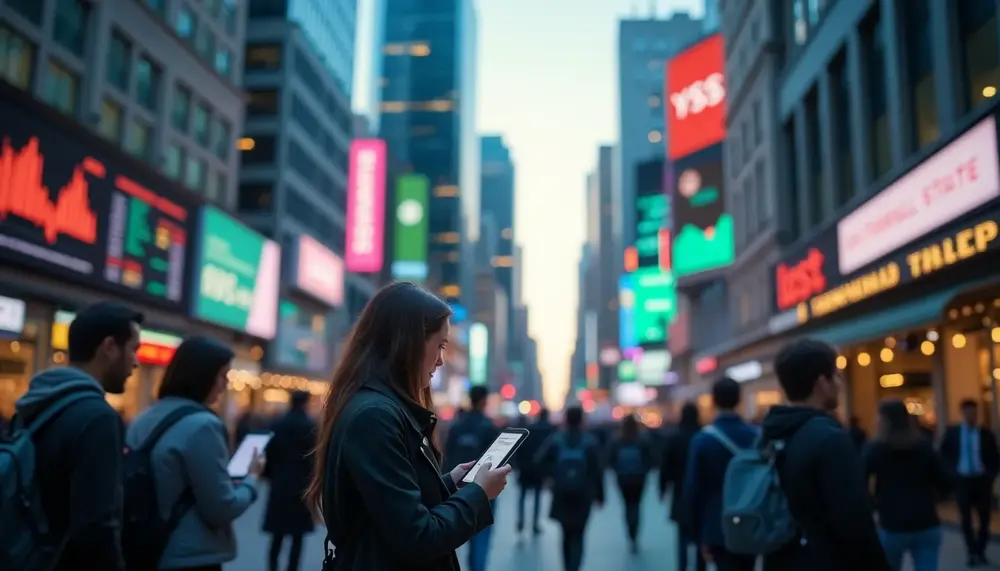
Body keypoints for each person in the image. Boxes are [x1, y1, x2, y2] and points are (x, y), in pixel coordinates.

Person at [304, 282, 509, 571]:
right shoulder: (375, 416)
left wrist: (449, 484)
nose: (440, 360)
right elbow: (416, 537)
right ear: (407, 341)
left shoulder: (380, 408)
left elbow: (391, 503)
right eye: (439, 346)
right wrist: (478, 493)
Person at [13, 301, 142, 571]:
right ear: (109, 347)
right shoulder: (98, 418)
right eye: (133, 348)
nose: (137, 361)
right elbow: (96, 525)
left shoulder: (34, 403)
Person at [126, 336, 261, 571]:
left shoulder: (143, 418)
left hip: (144, 547)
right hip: (190, 556)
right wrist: (251, 481)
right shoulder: (203, 425)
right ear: (203, 376)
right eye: (222, 376)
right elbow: (221, 508)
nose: (224, 385)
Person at [761, 338, 889, 571]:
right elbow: (854, 522)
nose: (839, 383)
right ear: (821, 383)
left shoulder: (770, 434)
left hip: (780, 559)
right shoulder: (829, 438)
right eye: (836, 376)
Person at [682, 377, 758, 571]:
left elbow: (694, 489)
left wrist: (696, 533)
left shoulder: (703, 440)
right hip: (753, 521)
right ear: (739, 400)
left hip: (717, 524)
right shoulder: (757, 436)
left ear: (714, 401)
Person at [865, 400, 951, 571]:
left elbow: (860, 480)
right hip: (926, 521)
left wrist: (873, 504)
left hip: (892, 523)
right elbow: (945, 480)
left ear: (884, 420)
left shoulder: (877, 448)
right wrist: (934, 498)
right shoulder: (924, 446)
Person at [534, 405, 605, 571]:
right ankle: (575, 566)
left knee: (565, 533)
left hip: (561, 492)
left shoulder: (557, 439)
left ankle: (567, 566)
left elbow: (539, 461)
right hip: (584, 494)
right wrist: (600, 496)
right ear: (582, 420)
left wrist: (550, 477)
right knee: (579, 533)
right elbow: (597, 471)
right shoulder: (589, 441)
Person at [443, 385, 500, 571]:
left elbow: (446, 456)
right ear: (484, 401)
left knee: (452, 541)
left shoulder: (457, 425)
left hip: (456, 490)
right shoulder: (489, 427)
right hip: (483, 492)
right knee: (481, 542)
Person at [939, 398, 999, 566]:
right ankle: (971, 551)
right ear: (963, 413)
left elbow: (995, 458)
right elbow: (943, 455)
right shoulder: (953, 433)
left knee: (985, 518)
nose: (971, 416)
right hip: (963, 480)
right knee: (965, 518)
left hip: (981, 480)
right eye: (968, 412)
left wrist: (990, 476)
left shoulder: (986, 434)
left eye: (974, 413)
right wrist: (952, 474)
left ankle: (981, 550)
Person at [262, 391, 317, 571]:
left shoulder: (277, 425)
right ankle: (292, 568)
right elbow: (314, 459)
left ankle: (272, 567)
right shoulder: (310, 426)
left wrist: (269, 475)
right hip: (301, 486)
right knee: (297, 536)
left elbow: (268, 455)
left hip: (279, 484)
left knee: (277, 535)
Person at [660, 402, 705, 571]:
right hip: (702, 493)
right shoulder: (703, 435)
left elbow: (666, 466)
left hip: (680, 492)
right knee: (701, 534)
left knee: (682, 535)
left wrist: (662, 488)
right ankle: (701, 566)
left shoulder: (675, 437)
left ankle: (682, 566)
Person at [608, 414, 652, 552]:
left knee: (627, 506)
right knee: (637, 505)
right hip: (639, 478)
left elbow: (610, 460)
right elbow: (651, 459)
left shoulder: (617, 440)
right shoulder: (643, 440)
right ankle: (635, 534)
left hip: (623, 479)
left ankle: (629, 532)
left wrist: (617, 471)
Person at [515, 407, 556, 536]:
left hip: (526, 467)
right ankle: (535, 523)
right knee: (537, 496)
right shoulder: (551, 430)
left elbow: (521, 448)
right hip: (540, 468)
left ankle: (521, 520)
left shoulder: (530, 429)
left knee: (522, 495)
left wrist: (519, 465)